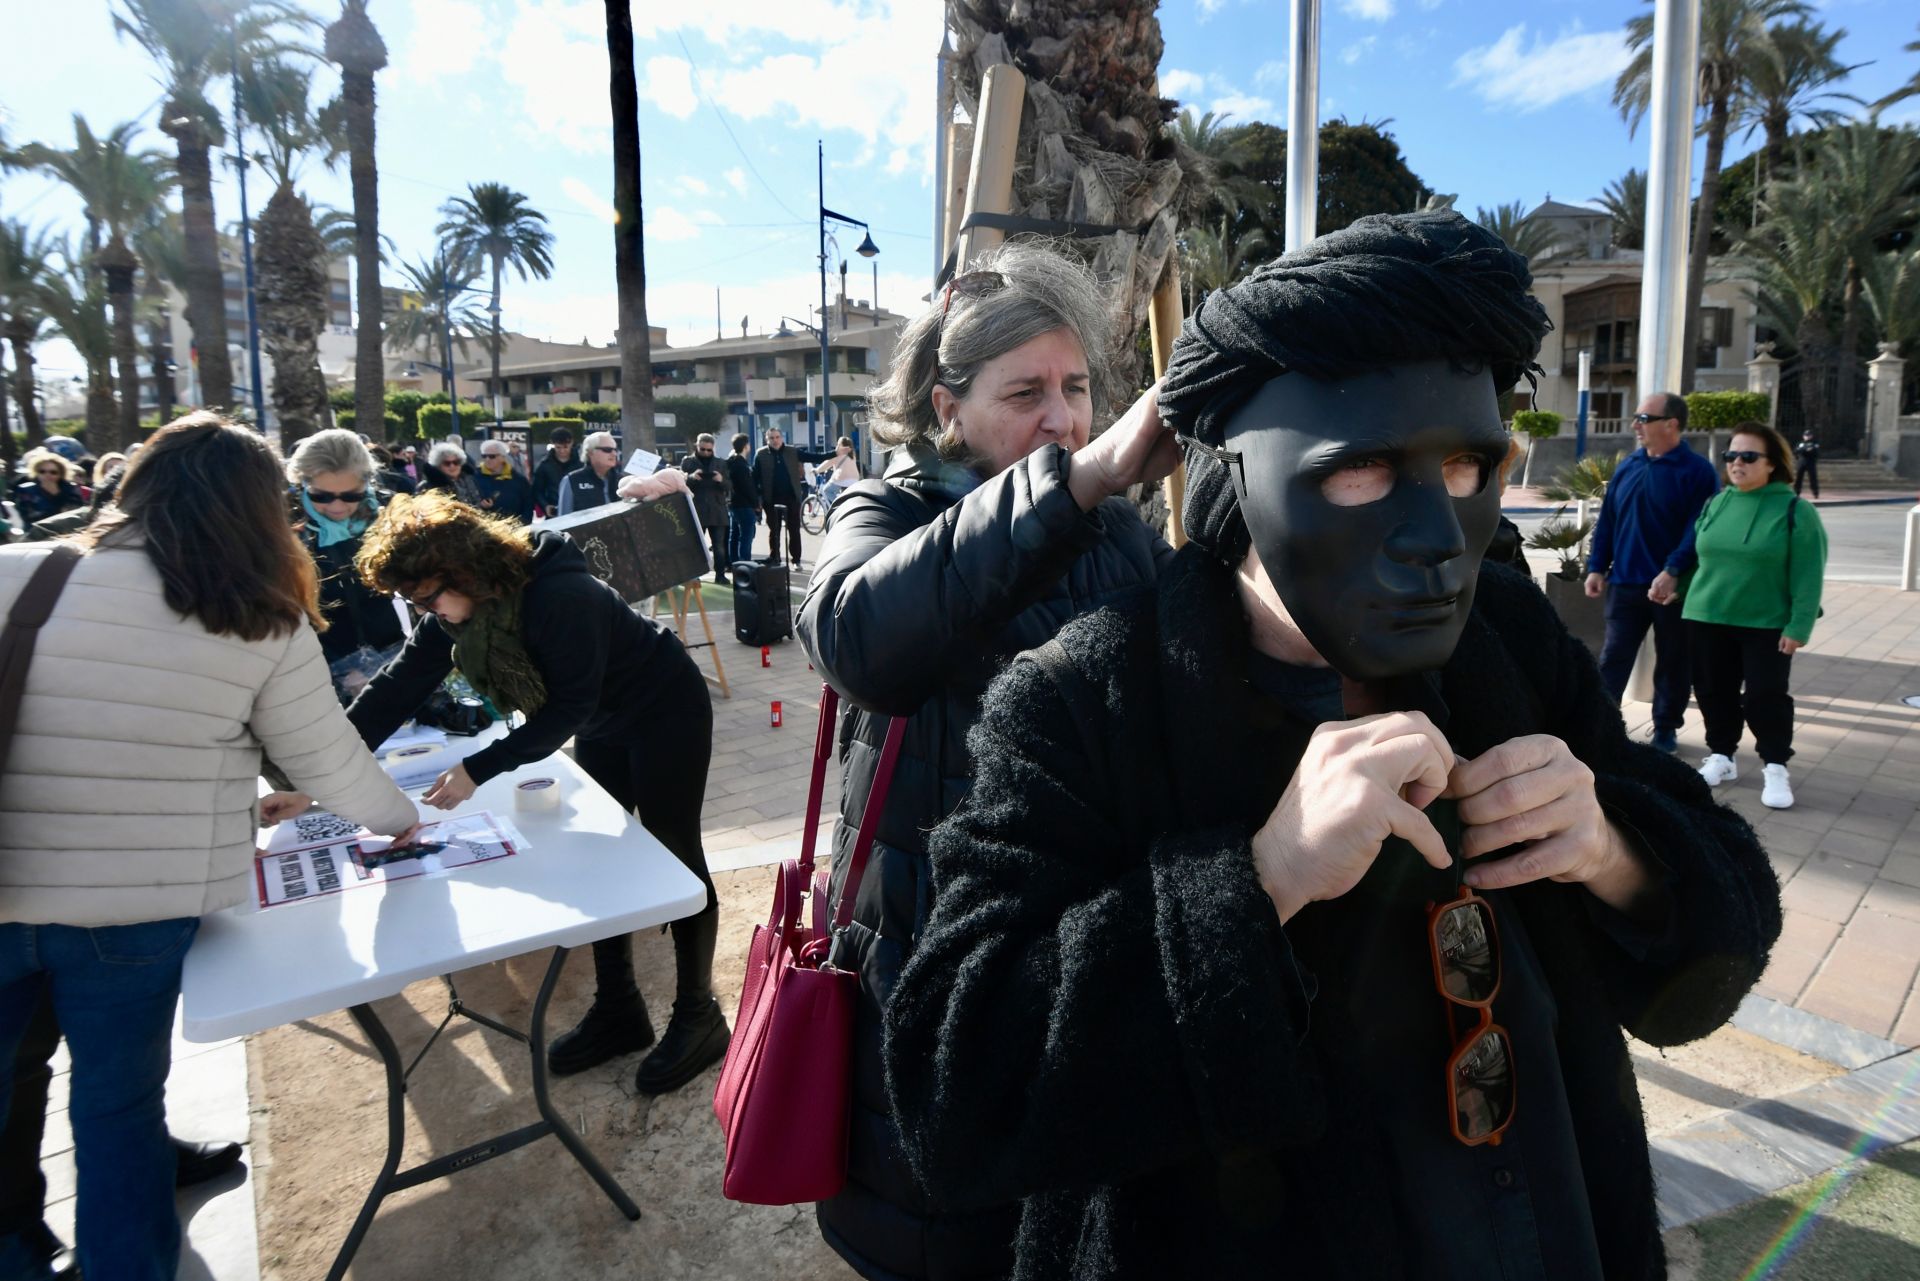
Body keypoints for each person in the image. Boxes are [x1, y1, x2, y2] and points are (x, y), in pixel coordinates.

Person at [882, 212, 1779, 1281]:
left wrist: (1614, 849)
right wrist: (1259, 880)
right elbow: (952, 1090)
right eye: (1362, 472)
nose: (1437, 538)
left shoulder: (1506, 645)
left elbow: (1716, 936)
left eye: (1467, 469)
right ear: (1247, 476)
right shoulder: (1088, 700)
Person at [797, 240, 1176, 1281]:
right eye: (1026, 393)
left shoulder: (1116, 535)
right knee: (940, 1227)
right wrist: (1077, 482)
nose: (1062, 419)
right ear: (944, 403)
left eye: (1077, 388)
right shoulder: (887, 509)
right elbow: (856, 637)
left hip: (1083, 945)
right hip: (927, 947)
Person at [0, 413, 421, 1281]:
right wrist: (399, 820)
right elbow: (328, 759)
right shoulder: (258, 615)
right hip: (136, 906)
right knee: (114, 1105)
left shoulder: (17, 572)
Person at [276, 491, 730, 1093]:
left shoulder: (558, 595)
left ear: (464, 570)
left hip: (664, 709)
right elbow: (398, 686)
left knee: (675, 854)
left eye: (429, 597)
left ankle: (700, 1015)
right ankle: (621, 1007)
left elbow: (568, 706)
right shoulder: (467, 607)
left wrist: (477, 769)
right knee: (605, 860)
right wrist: (315, 779)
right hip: (604, 723)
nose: (428, 612)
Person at [1687, 422, 1828, 810]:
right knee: (1714, 691)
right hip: (1708, 615)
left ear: (1772, 464)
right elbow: (1701, 560)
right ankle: (1722, 755)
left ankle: (1776, 764)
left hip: (1766, 623)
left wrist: (1800, 626)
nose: (1737, 463)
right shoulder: (1717, 503)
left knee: (1765, 696)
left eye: (1749, 456)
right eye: (1731, 455)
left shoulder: (1795, 512)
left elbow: (1808, 575)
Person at [1583, 391, 1719, 752]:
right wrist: (1597, 567)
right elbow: (1608, 521)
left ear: (1672, 424)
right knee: (1613, 657)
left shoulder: (1698, 472)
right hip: (1625, 584)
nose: (1635, 425)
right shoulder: (1628, 465)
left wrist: (1673, 569)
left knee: (1674, 661)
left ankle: (1665, 730)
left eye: (1643, 418)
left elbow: (1699, 528)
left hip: (1671, 589)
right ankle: (1601, 725)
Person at [286, 429, 409, 702]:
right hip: (317, 671)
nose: (337, 506)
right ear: (302, 484)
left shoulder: (388, 515)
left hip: (393, 655)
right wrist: (341, 669)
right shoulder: (283, 528)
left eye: (351, 496)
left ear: (366, 483)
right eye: (322, 496)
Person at [752, 427, 827, 565]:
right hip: (771, 499)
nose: (775, 440)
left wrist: (834, 453)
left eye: (777, 437)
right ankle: (775, 557)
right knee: (774, 531)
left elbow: (813, 457)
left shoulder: (791, 451)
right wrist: (758, 499)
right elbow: (755, 478)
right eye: (771, 438)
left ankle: (796, 560)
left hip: (791, 497)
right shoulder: (761, 454)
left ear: (782, 438)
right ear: (766, 440)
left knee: (794, 530)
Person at [679, 434, 731, 582]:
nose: (706, 453)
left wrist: (721, 480)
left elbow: (729, 486)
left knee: (719, 546)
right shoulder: (688, 461)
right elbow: (680, 484)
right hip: (696, 509)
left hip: (717, 509)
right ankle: (694, 576)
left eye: (709, 450)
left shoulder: (720, 463)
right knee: (695, 546)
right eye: (703, 449)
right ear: (697, 446)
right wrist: (691, 478)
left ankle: (720, 575)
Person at [9, 451, 85, 527]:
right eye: (42, 471)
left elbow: (75, 513)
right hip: (36, 532)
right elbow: (27, 515)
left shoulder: (71, 489)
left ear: (61, 473)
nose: (47, 475)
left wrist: (57, 496)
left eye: (53, 472)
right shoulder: (26, 490)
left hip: (67, 531)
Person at [556, 431, 624, 515]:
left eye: (615, 450)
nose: (614, 454)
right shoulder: (571, 480)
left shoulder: (622, 481)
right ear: (590, 452)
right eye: (607, 450)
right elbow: (562, 520)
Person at [474, 439, 535, 524]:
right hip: (486, 529)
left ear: (503, 457)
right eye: (484, 456)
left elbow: (528, 504)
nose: (487, 459)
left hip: (515, 529)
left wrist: (524, 523)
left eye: (492, 456)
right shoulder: (474, 477)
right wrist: (481, 506)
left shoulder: (518, 479)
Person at [724, 432, 759, 566]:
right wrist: (756, 503)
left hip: (734, 504)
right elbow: (747, 487)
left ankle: (734, 563)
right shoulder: (741, 465)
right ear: (746, 446)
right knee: (746, 537)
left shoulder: (731, 462)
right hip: (744, 504)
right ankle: (745, 564)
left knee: (734, 535)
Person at [532, 427, 578, 517]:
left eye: (565, 447)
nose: (562, 451)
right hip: (554, 511)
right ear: (552, 444)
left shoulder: (581, 464)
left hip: (577, 510)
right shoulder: (544, 465)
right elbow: (537, 490)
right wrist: (545, 506)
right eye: (558, 447)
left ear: (572, 443)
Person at [820, 435, 863, 507]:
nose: (837, 445)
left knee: (827, 490)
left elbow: (827, 463)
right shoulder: (852, 455)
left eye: (838, 444)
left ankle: (840, 506)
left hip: (842, 480)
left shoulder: (839, 454)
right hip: (854, 480)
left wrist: (817, 470)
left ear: (842, 446)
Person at [1793, 429, 1820, 499]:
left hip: (1811, 462)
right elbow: (1796, 451)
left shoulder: (1815, 443)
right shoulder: (1800, 443)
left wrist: (1803, 450)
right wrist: (1805, 449)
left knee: (1813, 477)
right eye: (1806, 435)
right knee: (1799, 477)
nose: (1807, 437)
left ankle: (1815, 492)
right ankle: (1797, 492)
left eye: (1809, 435)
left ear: (1812, 436)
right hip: (1801, 461)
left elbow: (1815, 451)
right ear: (1803, 436)